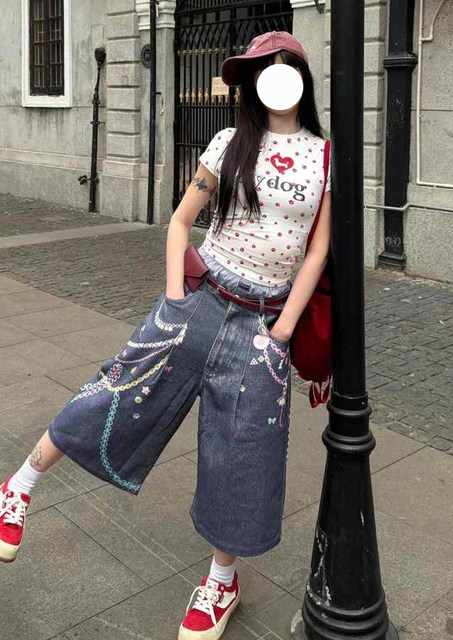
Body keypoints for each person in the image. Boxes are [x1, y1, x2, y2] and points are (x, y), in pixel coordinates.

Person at [0, 30, 331, 640]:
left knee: (243, 453)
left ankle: (220, 582)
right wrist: (176, 298)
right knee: (119, 390)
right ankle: (18, 487)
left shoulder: (325, 157)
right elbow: (180, 222)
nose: (274, 79)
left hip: (262, 326)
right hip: (200, 300)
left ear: (302, 78)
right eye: (262, 69)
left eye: (283, 67)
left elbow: (316, 253)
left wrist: (282, 332)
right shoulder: (229, 143)